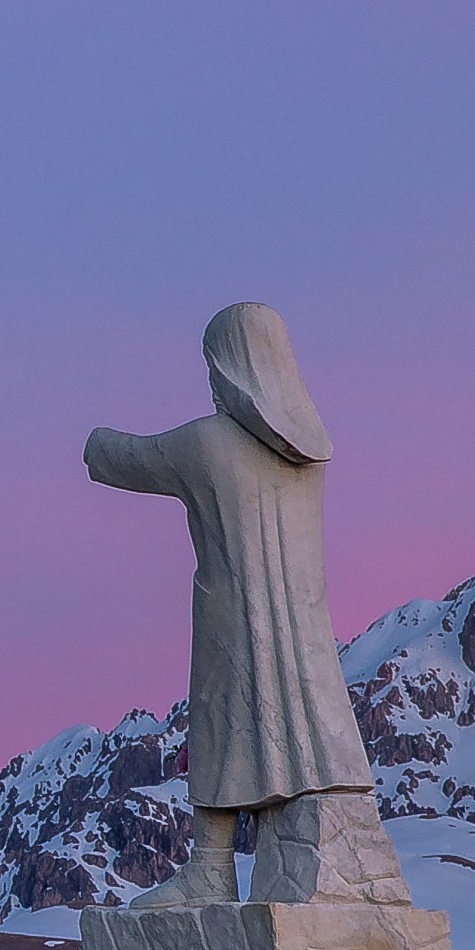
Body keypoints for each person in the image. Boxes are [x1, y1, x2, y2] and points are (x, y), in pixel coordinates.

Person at [83, 302, 375, 908]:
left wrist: (84, 436)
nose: (211, 384)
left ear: (235, 371)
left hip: (228, 619)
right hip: (303, 626)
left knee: (218, 723)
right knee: (301, 723)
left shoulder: (208, 443)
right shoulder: (312, 457)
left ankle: (211, 870)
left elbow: (120, 459)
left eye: (214, 370)